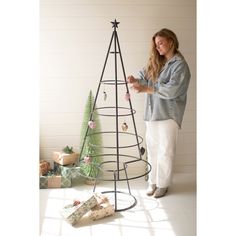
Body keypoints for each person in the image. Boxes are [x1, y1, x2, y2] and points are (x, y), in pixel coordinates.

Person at [127, 28, 191, 198]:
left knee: (166, 151)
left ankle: (163, 184)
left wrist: (146, 88)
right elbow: (143, 77)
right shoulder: (156, 62)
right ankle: (152, 182)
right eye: (156, 45)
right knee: (152, 149)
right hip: (152, 113)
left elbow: (172, 91)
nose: (158, 47)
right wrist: (134, 80)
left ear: (171, 41)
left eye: (161, 43)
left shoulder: (180, 65)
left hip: (169, 115)